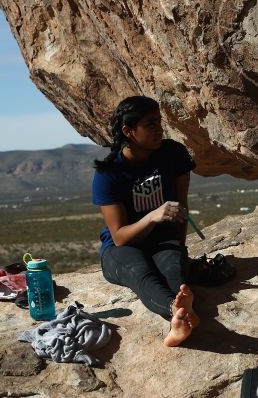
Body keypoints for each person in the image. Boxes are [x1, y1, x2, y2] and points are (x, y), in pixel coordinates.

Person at [92, 95, 199, 346]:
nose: (159, 130)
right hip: (122, 249)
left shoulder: (173, 153)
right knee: (140, 271)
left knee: (173, 268)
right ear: (128, 131)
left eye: (159, 122)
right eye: (150, 124)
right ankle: (178, 313)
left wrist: (179, 248)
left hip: (163, 240)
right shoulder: (109, 174)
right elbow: (119, 237)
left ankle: (181, 314)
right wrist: (152, 216)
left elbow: (181, 207)